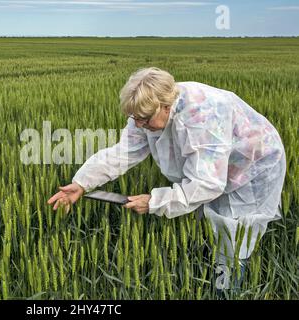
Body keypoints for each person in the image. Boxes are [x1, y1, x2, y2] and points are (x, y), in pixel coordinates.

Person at [47, 67, 286, 296]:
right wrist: (81, 183)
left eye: (143, 119)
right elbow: (123, 152)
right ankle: (213, 271)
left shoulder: (203, 115)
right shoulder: (146, 110)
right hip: (216, 169)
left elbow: (207, 183)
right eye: (134, 118)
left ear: (165, 106)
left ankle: (227, 291)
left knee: (233, 236)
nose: (139, 124)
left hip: (252, 166)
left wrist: (155, 202)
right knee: (212, 224)